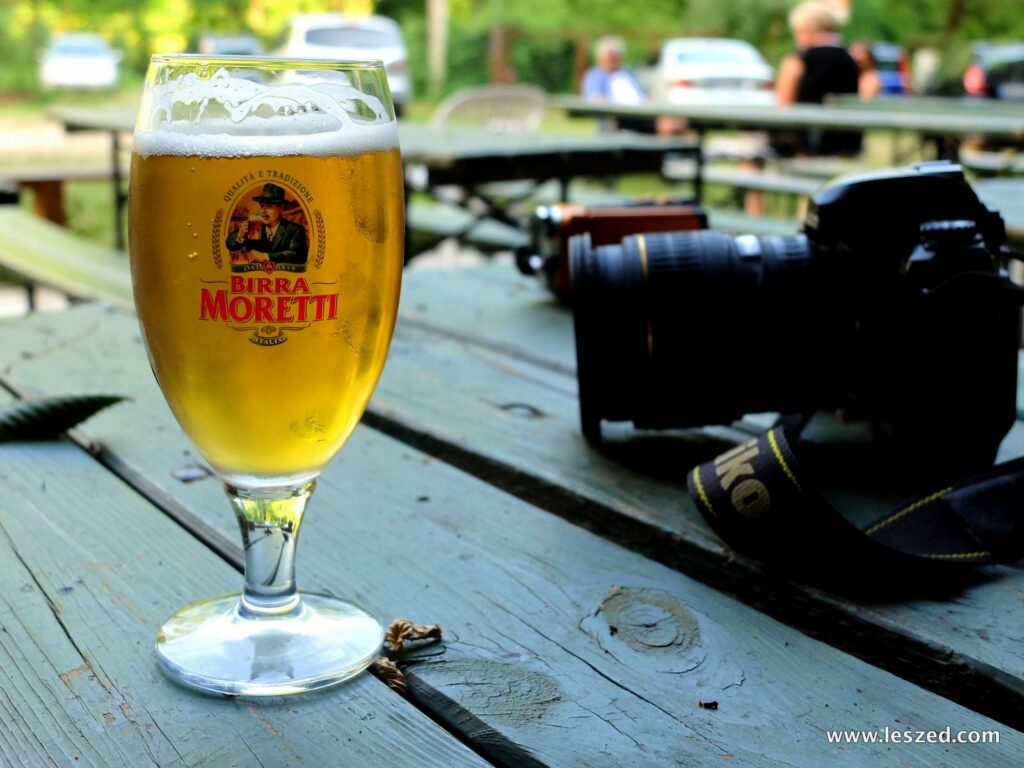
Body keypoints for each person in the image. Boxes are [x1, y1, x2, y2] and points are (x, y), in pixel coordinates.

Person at [774, 1, 861, 156]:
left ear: (805, 31)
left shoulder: (797, 61)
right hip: (847, 146)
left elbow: (783, 107)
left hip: (805, 147)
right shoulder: (851, 59)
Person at [580, 35, 655, 134]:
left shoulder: (629, 73)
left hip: (641, 115)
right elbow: (595, 98)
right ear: (600, 56)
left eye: (614, 56)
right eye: (608, 56)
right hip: (616, 117)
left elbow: (643, 95)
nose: (611, 59)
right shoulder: (595, 76)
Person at [226, 183, 308, 265]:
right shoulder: (255, 228)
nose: (263, 211)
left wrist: (266, 256)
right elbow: (230, 245)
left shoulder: (295, 229)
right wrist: (240, 236)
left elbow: (299, 255)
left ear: (281, 208)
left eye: (269, 206)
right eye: (262, 206)